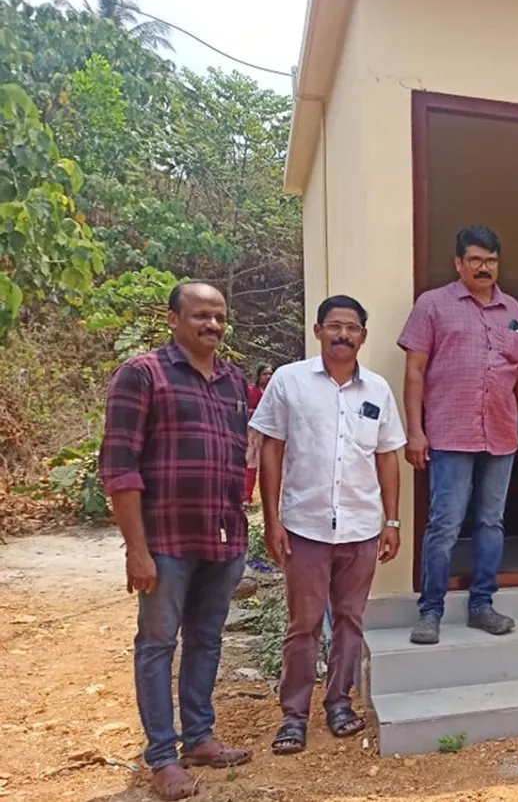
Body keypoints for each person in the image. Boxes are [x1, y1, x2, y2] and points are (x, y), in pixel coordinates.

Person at [98, 282, 252, 801]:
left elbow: (234, 460)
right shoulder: (142, 375)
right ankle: (162, 756)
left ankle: (199, 737)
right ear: (173, 319)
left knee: (207, 641)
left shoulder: (231, 381)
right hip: (164, 540)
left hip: (222, 538)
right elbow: (118, 469)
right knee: (158, 645)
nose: (212, 325)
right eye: (200, 316)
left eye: (220, 317)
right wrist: (136, 549)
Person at [250, 295, 406, 754]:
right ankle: (294, 715)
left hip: (361, 527)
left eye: (352, 327)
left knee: (350, 621)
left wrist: (391, 521)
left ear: (363, 335)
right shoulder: (289, 381)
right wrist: (272, 518)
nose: (343, 334)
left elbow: (387, 457)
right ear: (317, 330)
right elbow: (271, 449)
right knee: (303, 624)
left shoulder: (376, 390)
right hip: (305, 526)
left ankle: (339, 702)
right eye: (334, 326)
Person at [399, 225, 518, 645]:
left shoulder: (513, 309)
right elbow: (414, 372)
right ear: (458, 263)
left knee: (491, 522)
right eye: (475, 260)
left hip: (501, 434)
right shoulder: (433, 305)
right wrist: (415, 432)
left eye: (491, 260)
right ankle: (431, 609)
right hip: (449, 433)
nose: (484, 268)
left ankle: (482, 604)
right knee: (444, 523)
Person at [243, 365, 274, 506]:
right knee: (251, 462)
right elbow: (244, 409)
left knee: (269, 464)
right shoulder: (251, 390)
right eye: (265, 374)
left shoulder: (275, 391)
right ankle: (246, 496)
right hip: (253, 431)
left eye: (270, 374)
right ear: (259, 375)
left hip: (272, 432)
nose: (268, 376)